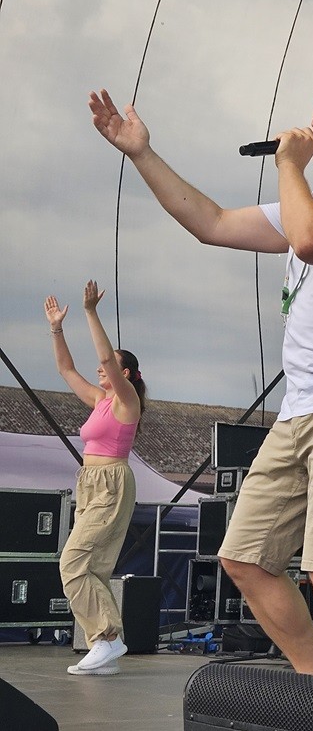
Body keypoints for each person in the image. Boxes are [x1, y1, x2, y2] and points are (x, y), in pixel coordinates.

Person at [88, 68, 313, 681]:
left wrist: (290, 165)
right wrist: (141, 153)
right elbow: (212, 223)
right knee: (245, 557)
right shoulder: (311, 201)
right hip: (300, 408)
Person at [45, 280, 146, 677]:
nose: (99, 368)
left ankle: (106, 638)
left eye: (109, 367)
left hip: (111, 483)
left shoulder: (126, 401)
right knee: (93, 568)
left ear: (124, 373)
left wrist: (90, 312)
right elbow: (66, 369)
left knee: (72, 562)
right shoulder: (100, 400)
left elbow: (104, 355)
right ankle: (104, 647)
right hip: (89, 482)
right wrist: (56, 328)